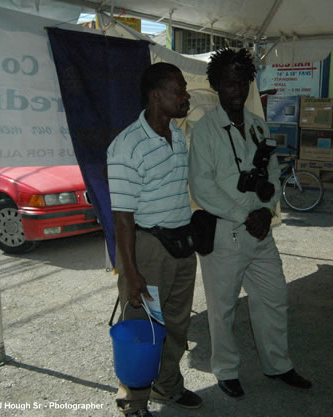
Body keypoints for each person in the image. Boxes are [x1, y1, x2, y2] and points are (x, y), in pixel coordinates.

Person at [188, 48, 312, 399]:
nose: (237, 90)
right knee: (222, 308)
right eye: (229, 83)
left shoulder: (258, 125)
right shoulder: (206, 131)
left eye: (242, 82)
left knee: (274, 298)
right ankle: (226, 370)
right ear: (216, 86)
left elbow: (271, 172)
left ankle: (279, 365)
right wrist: (247, 215)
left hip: (261, 233)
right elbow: (203, 186)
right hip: (226, 234)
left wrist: (268, 209)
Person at [107, 63, 202, 417]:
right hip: (146, 249)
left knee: (176, 325)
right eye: (179, 90)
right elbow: (122, 218)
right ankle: (133, 402)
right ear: (156, 95)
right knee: (140, 328)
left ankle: (168, 385)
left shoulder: (176, 135)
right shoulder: (126, 146)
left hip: (181, 247)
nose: (185, 96)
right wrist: (130, 273)